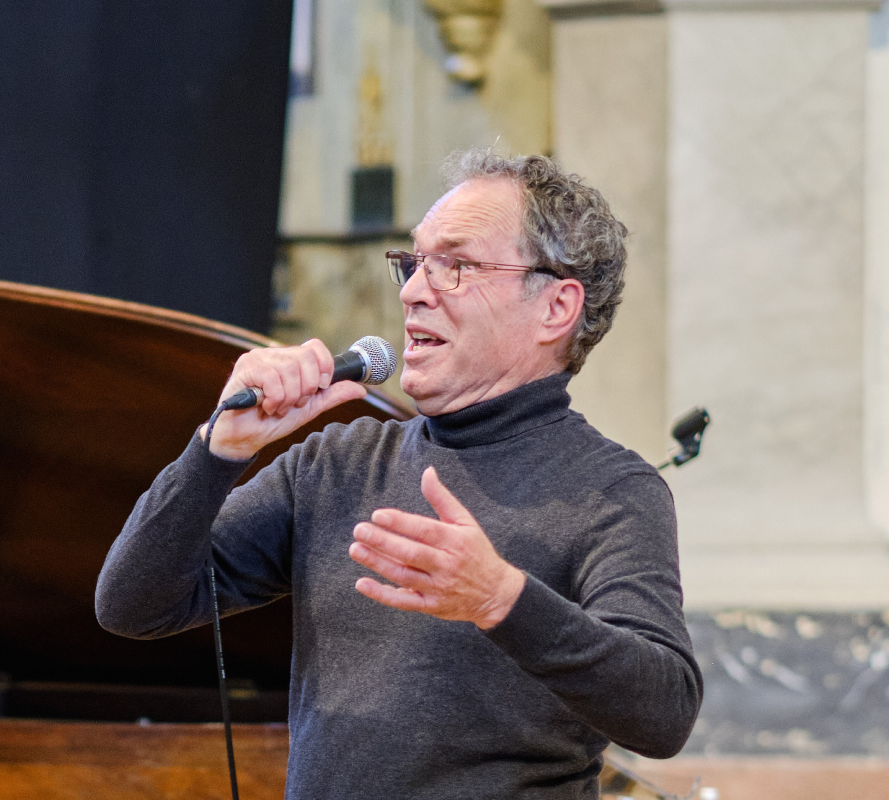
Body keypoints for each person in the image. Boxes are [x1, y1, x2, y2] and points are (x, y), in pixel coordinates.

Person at [96, 151, 700, 797]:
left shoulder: (612, 492)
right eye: (414, 263)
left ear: (556, 307)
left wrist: (501, 599)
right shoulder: (335, 462)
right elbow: (132, 606)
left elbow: (664, 714)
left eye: (458, 266)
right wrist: (215, 453)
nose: (413, 290)